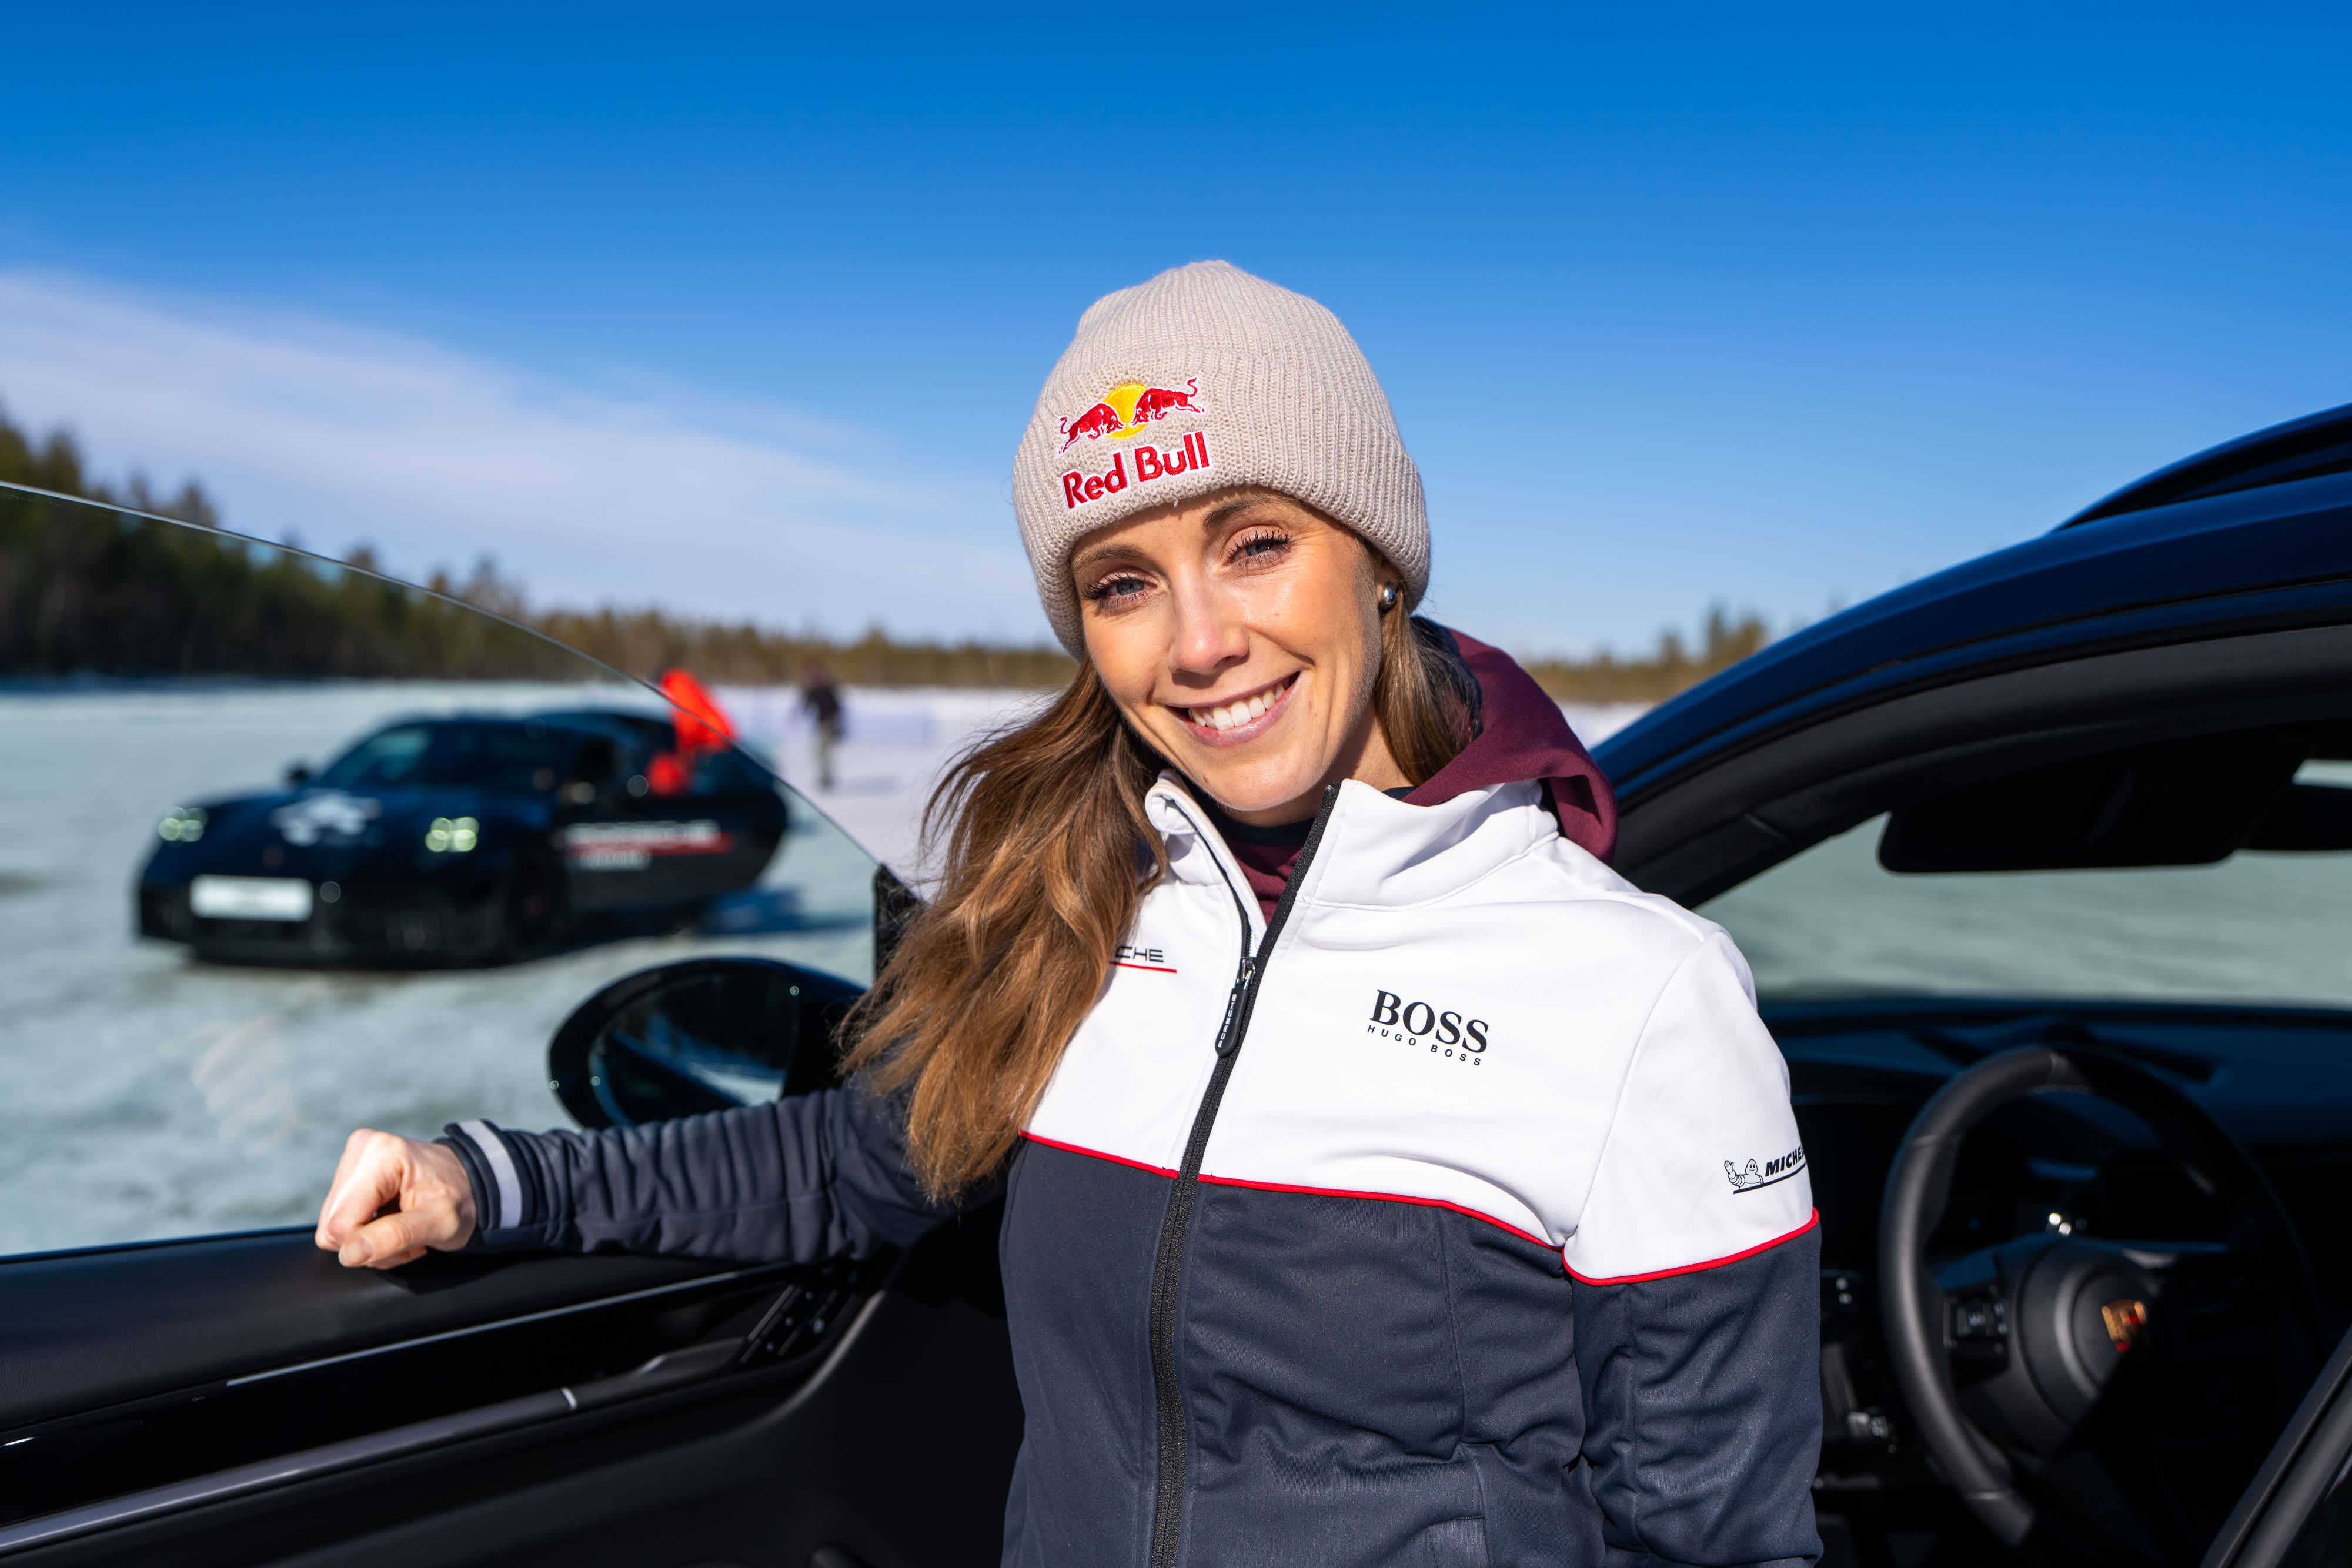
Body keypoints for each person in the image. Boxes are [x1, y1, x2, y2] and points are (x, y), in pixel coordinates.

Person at [315, 262, 1823, 1568]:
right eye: (1121, 583)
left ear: (1376, 563)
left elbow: (1713, 1530)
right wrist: (490, 1184)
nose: (1198, 643)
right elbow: (853, 1166)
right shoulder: (1077, 908)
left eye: (1253, 544)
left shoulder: (1635, 995)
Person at [799, 660, 843, 791]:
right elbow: (807, 704)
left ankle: (826, 780)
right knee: (821, 752)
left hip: (829, 724)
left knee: (822, 752)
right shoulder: (812, 689)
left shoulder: (827, 688)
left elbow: (836, 707)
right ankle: (825, 778)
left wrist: (837, 724)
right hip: (820, 723)